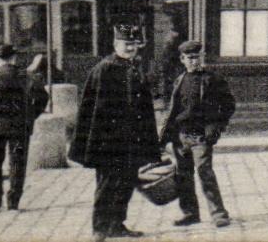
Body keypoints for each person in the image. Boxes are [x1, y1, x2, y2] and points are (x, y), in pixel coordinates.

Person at [71, 23, 159, 241]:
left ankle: (117, 224)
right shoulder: (105, 69)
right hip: (109, 142)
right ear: (115, 44)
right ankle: (100, 228)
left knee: (127, 182)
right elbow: (95, 111)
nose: (131, 48)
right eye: (126, 44)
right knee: (107, 184)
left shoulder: (134, 67)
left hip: (132, 140)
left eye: (134, 45)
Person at [160, 40, 235, 228]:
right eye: (189, 58)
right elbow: (172, 111)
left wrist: (215, 128)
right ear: (182, 60)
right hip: (180, 135)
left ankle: (219, 213)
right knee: (183, 175)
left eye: (197, 57)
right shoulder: (179, 80)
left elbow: (228, 105)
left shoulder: (212, 79)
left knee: (205, 172)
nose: (194, 61)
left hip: (200, 136)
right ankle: (190, 213)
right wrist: (165, 137)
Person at [0, 43, 47, 212]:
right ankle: (13, 201)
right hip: (19, 126)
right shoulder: (27, 76)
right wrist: (31, 115)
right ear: (14, 58)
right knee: (17, 163)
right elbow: (43, 97)